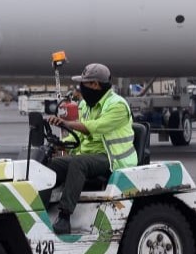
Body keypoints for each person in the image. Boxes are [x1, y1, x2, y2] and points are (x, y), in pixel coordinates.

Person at [45, 63, 136, 234]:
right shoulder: (85, 105)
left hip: (112, 158)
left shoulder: (118, 105)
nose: (80, 88)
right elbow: (79, 136)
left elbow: (96, 126)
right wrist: (60, 143)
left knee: (79, 163)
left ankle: (64, 217)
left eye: (83, 84)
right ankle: (40, 208)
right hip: (90, 155)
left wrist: (66, 123)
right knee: (53, 164)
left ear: (95, 85)